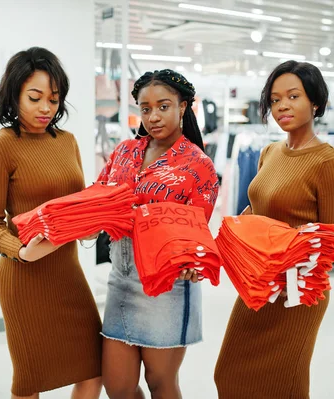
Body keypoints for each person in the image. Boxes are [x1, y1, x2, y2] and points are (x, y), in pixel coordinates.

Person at [214, 60, 334, 398]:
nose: (283, 106)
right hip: (259, 283)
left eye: (293, 96)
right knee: (228, 374)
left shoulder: (327, 163)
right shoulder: (269, 152)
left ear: (315, 102)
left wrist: (296, 283)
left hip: (296, 293)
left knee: (283, 382)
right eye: (275, 100)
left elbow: (332, 242)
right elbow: (256, 211)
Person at [0, 47, 102, 399]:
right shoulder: (0, 147)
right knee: (29, 381)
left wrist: (92, 223)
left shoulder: (68, 141)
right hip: (23, 279)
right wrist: (21, 251)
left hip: (68, 273)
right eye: (35, 98)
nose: (46, 108)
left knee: (94, 369)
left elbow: (76, 205)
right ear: (14, 94)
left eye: (53, 98)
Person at [97, 69, 219, 399]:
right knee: (117, 387)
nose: (153, 116)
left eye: (163, 106)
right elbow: (98, 195)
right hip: (121, 281)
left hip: (168, 287)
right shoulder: (124, 151)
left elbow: (197, 232)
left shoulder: (198, 165)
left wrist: (194, 261)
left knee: (160, 384)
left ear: (183, 107)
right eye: (145, 108)